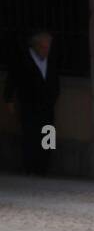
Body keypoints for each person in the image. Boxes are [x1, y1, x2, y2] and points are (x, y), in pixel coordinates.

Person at [3, 30, 59, 175]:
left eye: (48, 47)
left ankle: (45, 166)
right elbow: (12, 79)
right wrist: (9, 99)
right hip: (30, 105)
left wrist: (53, 96)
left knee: (48, 136)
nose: (46, 51)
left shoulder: (50, 60)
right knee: (31, 136)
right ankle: (31, 167)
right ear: (36, 46)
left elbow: (54, 81)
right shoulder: (23, 60)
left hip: (47, 106)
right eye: (44, 47)